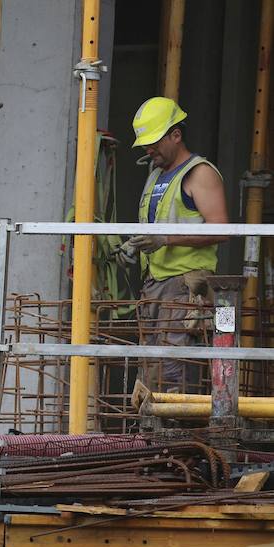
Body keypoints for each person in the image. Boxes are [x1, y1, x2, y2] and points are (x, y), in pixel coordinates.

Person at [116, 97, 228, 393]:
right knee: (152, 370)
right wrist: (135, 246)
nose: (148, 149)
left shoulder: (199, 173)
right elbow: (156, 228)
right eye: (145, 143)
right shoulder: (156, 176)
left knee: (175, 372)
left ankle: (179, 434)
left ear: (175, 135)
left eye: (154, 141)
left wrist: (164, 240)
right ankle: (157, 435)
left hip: (184, 286)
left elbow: (223, 229)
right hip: (155, 287)